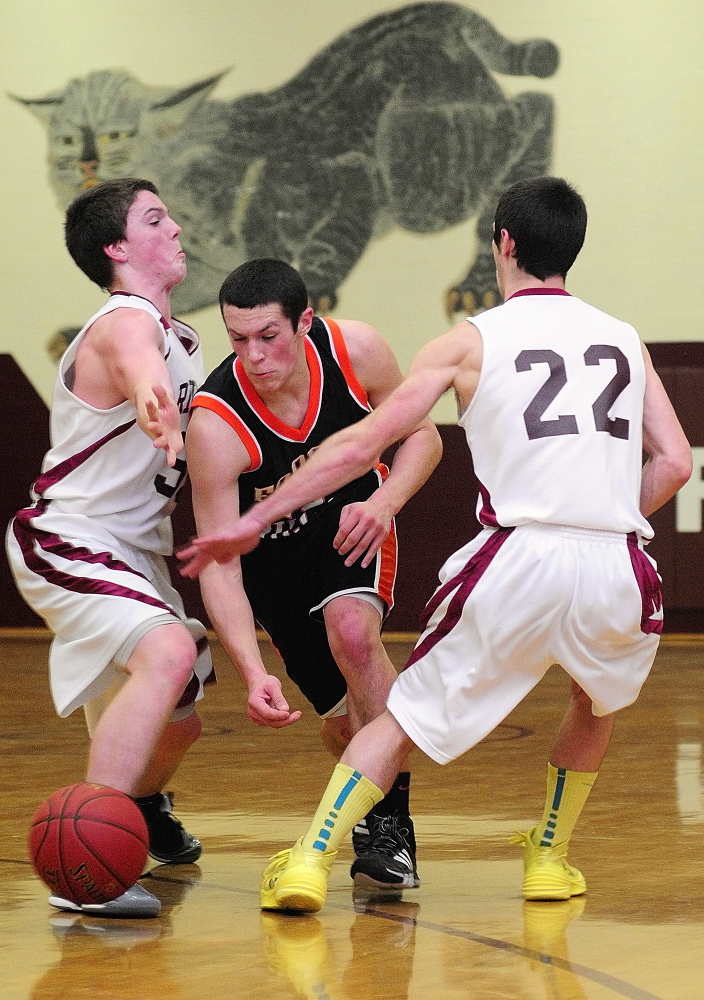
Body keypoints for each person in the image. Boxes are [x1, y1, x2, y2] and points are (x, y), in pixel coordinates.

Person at [179, 177, 692, 912]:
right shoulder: (623, 338)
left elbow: (364, 445)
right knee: (593, 702)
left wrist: (261, 516)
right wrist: (606, 512)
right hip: (618, 563)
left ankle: (311, 858)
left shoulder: (468, 341)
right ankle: (548, 859)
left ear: (503, 245)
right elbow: (674, 462)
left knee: (399, 718)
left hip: (521, 557)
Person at [184, 257, 442, 889]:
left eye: (268, 336)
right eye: (238, 340)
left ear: (304, 321)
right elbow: (220, 566)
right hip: (273, 566)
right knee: (342, 721)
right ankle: (369, 802)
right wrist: (250, 669)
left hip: (352, 523)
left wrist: (384, 503)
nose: (255, 355)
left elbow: (425, 439)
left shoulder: (357, 351)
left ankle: (388, 829)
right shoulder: (216, 423)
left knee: (353, 635)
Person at [6, 178, 214, 918]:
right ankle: (86, 869)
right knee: (168, 655)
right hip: (73, 536)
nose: (178, 226)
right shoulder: (125, 320)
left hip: (138, 553)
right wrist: (158, 411)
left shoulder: (180, 336)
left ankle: (140, 806)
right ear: (117, 249)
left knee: (182, 706)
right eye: (157, 218)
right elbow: (140, 370)